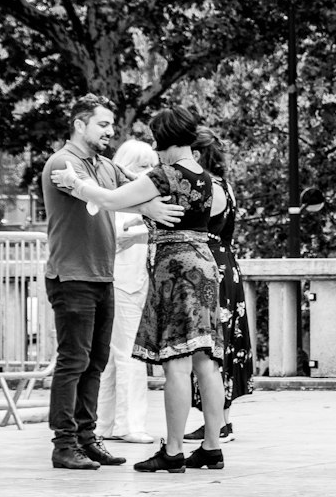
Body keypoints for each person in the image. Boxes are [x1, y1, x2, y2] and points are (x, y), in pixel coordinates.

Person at [51, 105, 225, 475]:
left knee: (175, 364)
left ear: (162, 139)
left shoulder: (165, 173)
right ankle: (212, 446)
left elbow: (113, 200)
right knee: (206, 362)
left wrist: (77, 185)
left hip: (176, 269)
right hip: (205, 264)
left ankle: (174, 451)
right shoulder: (204, 177)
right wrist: (147, 203)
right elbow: (135, 184)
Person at [40, 94, 181, 471]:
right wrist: (146, 207)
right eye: (102, 124)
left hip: (103, 275)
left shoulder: (103, 164)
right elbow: (107, 201)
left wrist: (156, 191)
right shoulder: (63, 164)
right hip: (71, 276)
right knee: (73, 361)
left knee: (96, 361)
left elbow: (132, 189)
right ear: (79, 125)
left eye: (111, 125)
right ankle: (64, 443)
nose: (110, 132)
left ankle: (87, 439)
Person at [183, 125, 253, 467]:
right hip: (225, 267)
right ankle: (220, 420)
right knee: (222, 343)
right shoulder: (224, 186)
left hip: (209, 268)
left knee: (212, 347)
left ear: (196, 156)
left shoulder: (208, 188)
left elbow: (185, 224)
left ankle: (220, 423)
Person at [93, 138, 158, 446]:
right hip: (125, 282)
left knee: (114, 356)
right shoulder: (122, 201)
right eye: (143, 166)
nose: (150, 172)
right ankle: (128, 423)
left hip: (126, 281)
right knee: (129, 355)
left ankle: (106, 422)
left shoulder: (123, 200)